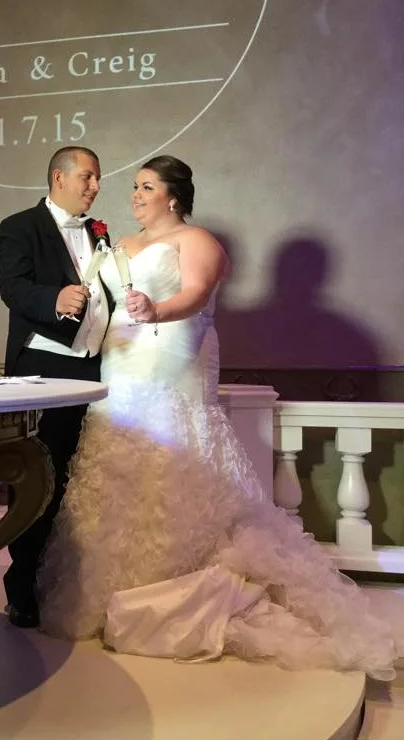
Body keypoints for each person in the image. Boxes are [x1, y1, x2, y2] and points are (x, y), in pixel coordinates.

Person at [37, 155, 398, 679]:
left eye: (146, 187)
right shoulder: (120, 246)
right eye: (134, 187)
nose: (134, 195)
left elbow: (196, 294)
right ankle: (108, 592)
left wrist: (156, 311)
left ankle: (179, 584)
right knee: (117, 458)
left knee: (175, 452)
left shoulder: (198, 241)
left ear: (174, 196)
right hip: (121, 361)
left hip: (170, 356)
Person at [0, 146, 113, 628]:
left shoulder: (100, 232)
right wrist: (54, 298)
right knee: (41, 478)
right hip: (43, 370)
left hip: (97, 371)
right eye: (87, 176)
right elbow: (13, 287)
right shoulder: (18, 226)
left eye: (98, 178)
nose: (95, 186)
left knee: (81, 481)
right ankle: (22, 586)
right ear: (59, 177)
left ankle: (75, 584)